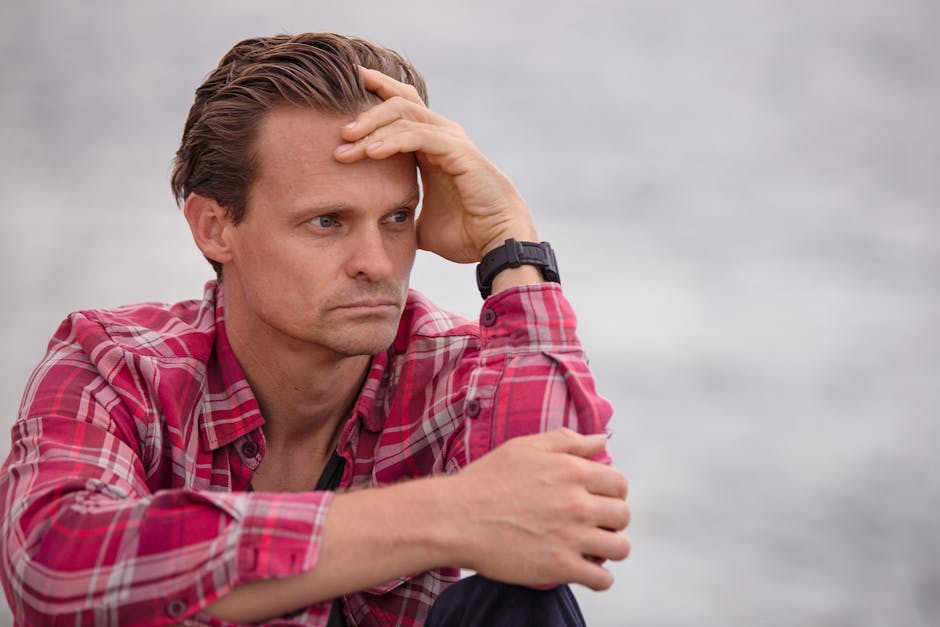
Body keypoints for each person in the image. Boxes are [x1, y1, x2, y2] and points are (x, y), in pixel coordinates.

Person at [0, 33, 630, 626]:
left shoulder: (457, 369)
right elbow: (54, 569)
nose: (376, 263)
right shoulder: (113, 367)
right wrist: (447, 515)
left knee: (522, 596)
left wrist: (511, 248)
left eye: (396, 218)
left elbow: (568, 522)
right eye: (328, 221)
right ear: (214, 228)